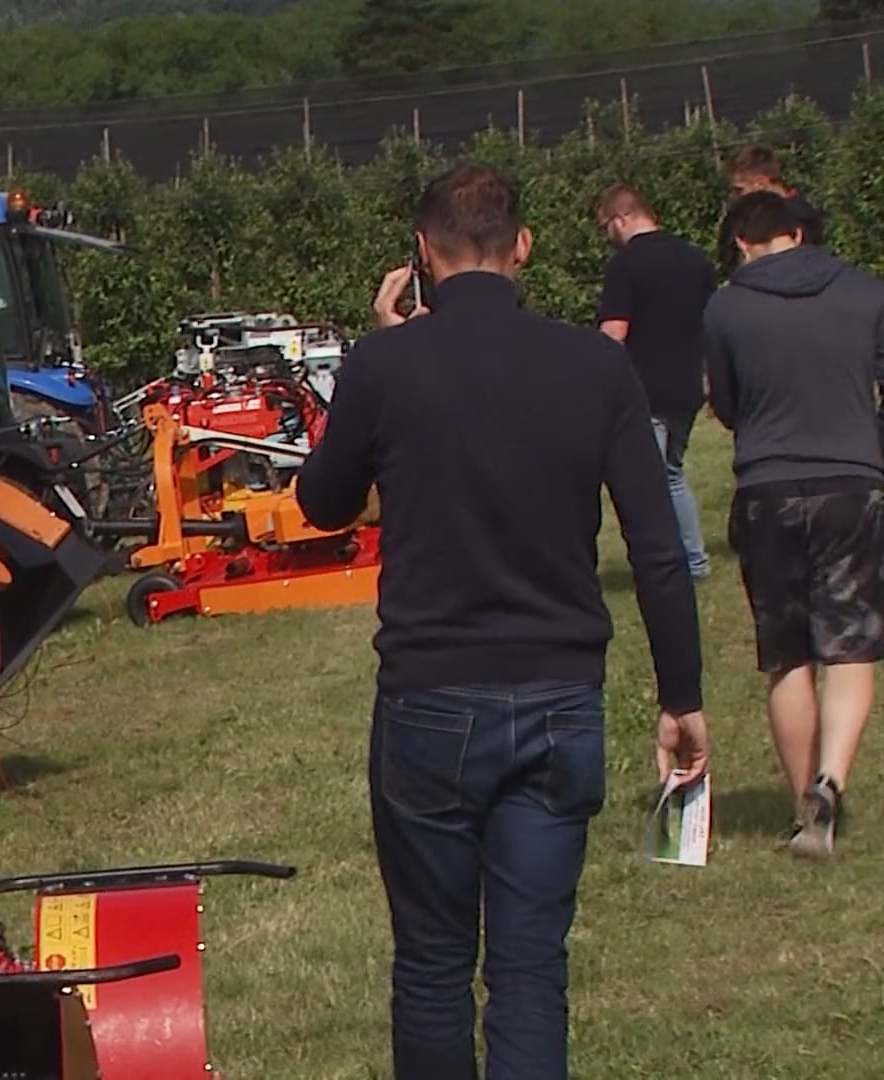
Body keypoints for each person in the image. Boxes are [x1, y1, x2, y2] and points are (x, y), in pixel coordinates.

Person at [294, 164, 709, 1080]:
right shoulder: (595, 364)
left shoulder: (384, 365)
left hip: (430, 695)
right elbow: (656, 549)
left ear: (422, 256)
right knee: (529, 970)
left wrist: (380, 356)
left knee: (436, 964)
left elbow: (323, 503)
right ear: (522, 248)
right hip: (561, 696)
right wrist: (681, 694)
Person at [704, 191, 884, 860]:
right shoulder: (865, 293)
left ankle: (802, 803)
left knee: (787, 653)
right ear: (799, 233)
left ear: (745, 244)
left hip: (768, 486)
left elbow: (724, 404)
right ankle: (834, 775)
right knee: (851, 643)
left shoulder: (726, 307)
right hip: (851, 481)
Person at [595, 184, 718, 581]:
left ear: (621, 218)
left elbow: (613, 334)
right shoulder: (694, 259)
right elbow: (711, 325)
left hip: (643, 391)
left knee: (646, 486)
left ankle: (666, 564)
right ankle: (693, 559)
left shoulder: (626, 266)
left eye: (605, 227)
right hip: (687, 387)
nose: (607, 237)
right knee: (671, 474)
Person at [719, 144, 825, 274]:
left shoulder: (800, 219)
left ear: (761, 183)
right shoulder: (751, 214)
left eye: (739, 189)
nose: (735, 197)